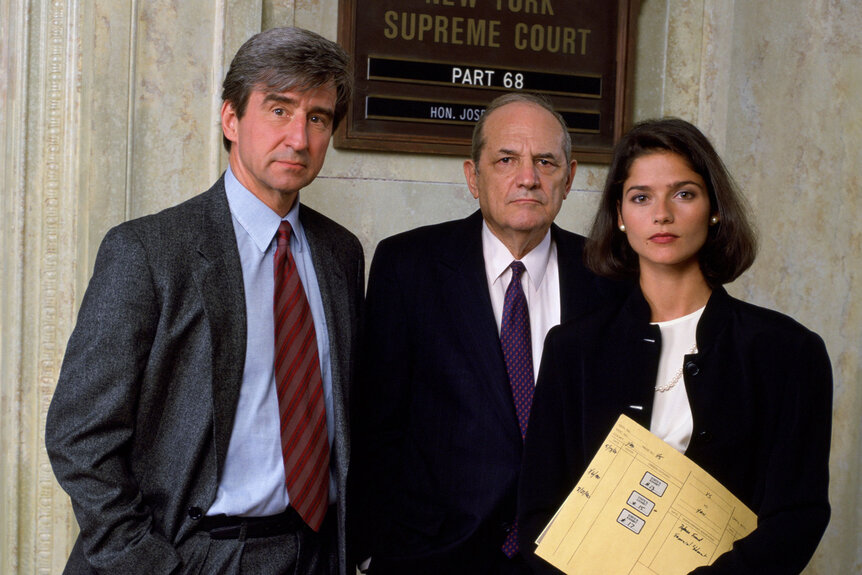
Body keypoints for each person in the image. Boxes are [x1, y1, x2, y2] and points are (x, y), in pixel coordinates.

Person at [45, 27, 363, 575]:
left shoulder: (341, 253)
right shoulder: (147, 252)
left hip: (314, 553)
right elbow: (80, 438)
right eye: (279, 109)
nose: (299, 137)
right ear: (231, 119)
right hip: (192, 553)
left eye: (318, 117)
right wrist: (149, 564)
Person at [518, 118, 832, 574]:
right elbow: (538, 515)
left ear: (714, 208)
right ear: (621, 216)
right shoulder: (573, 349)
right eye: (641, 197)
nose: (661, 213)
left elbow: (797, 517)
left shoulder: (787, 351)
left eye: (684, 193)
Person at [349, 92, 625, 574]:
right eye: (506, 160)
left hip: (567, 558)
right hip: (432, 556)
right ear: (473, 177)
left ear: (570, 178)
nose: (528, 178)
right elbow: (377, 426)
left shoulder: (609, 277)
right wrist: (373, 549)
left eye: (545, 161)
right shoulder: (407, 266)